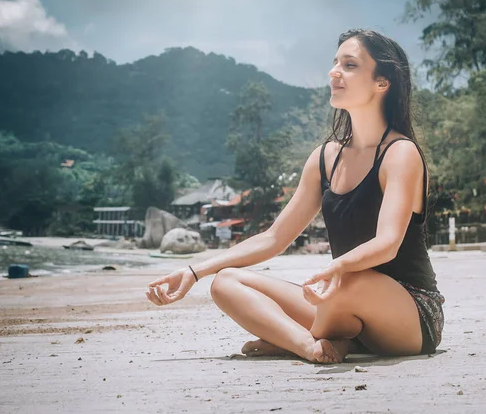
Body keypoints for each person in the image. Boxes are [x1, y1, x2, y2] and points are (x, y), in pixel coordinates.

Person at [146, 29, 445, 364]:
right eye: (335, 63)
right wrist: (195, 271)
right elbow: (274, 237)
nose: (334, 72)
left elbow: (388, 242)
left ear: (382, 82)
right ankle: (310, 345)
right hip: (339, 301)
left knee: (346, 285)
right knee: (226, 283)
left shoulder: (399, 153)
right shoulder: (324, 159)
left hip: (410, 313)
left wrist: (337, 267)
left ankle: (314, 338)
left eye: (349, 65)